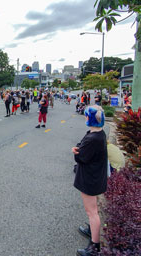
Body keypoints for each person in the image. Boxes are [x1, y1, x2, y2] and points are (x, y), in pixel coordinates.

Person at [72, 105, 107, 256]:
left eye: (87, 115)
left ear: (90, 118)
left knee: (91, 211)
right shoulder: (99, 134)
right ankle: (92, 232)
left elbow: (81, 157)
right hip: (95, 175)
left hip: (90, 178)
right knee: (92, 210)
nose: (85, 117)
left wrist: (75, 151)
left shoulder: (93, 138)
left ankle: (94, 246)